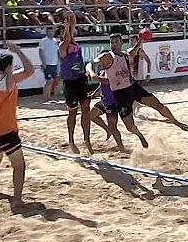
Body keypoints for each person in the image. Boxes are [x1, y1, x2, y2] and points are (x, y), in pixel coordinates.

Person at [95, 34, 188, 148]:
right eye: (112, 42)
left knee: (158, 105)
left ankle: (176, 122)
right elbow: (93, 62)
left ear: (121, 43)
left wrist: (141, 40)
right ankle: (140, 135)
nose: (114, 44)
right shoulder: (108, 56)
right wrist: (90, 72)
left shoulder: (126, 54)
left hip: (133, 88)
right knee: (130, 127)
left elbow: (135, 51)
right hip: (120, 94)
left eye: (116, 41)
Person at [0, 42, 35, 209]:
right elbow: (30, 70)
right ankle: (17, 201)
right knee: (19, 166)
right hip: (5, 128)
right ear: (9, 67)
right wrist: (18, 50)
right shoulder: (9, 79)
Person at [59, 14, 93, 155]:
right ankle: (71, 140)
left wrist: (71, 16)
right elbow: (67, 37)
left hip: (80, 79)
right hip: (70, 82)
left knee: (86, 109)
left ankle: (87, 139)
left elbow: (72, 27)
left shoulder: (74, 44)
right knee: (72, 112)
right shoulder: (62, 46)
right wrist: (67, 28)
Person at [86, 54, 126, 153]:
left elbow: (102, 80)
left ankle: (121, 148)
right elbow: (101, 85)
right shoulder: (104, 70)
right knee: (91, 116)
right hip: (104, 100)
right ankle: (107, 129)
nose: (100, 63)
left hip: (112, 103)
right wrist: (94, 94)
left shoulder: (114, 71)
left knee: (114, 128)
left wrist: (90, 70)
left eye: (101, 61)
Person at [38, 26, 60, 102]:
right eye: (49, 31)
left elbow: (57, 52)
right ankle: (46, 97)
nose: (51, 33)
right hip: (48, 64)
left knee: (55, 81)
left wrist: (59, 61)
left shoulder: (55, 40)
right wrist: (43, 62)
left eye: (52, 31)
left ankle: (52, 97)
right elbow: (41, 52)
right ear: (46, 32)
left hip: (54, 63)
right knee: (48, 81)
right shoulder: (43, 41)